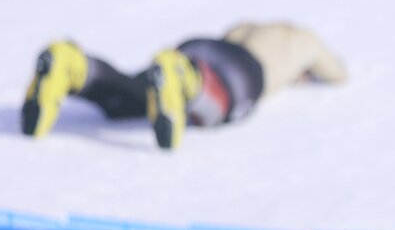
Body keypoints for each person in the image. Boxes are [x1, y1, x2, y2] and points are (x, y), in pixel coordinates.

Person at [20, 22, 347, 150]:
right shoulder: (303, 40)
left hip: (197, 48)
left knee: (134, 97)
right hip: (242, 69)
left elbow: (225, 42)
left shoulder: (246, 26)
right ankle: (185, 79)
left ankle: (75, 66)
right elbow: (337, 74)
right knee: (224, 103)